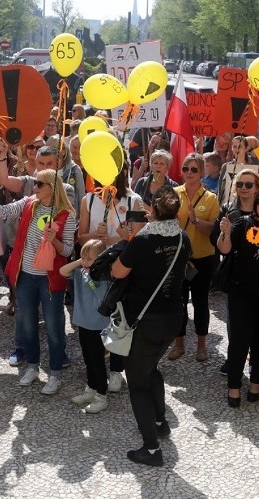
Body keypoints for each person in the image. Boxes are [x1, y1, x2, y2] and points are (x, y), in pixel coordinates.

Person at [111, 186, 191, 466]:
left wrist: (127, 241)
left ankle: (152, 449)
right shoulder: (182, 238)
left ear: (154, 211)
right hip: (173, 317)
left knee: (137, 383)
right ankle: (160, 421)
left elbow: (118, 271)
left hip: (145, 320)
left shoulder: (143, 240)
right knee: (152, 367)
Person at [0, 169, 77, 395]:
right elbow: (0, 211)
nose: (34, 187)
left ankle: (55, 373)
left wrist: (53, 240)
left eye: (39, 184)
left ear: (52, 187)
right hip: (25, 275)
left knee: (55, 327)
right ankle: (33, 366)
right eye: (35, 183)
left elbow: (67, 250)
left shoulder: (67, 213)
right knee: (27, 324)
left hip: (49, 278)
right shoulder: (29, 203)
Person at [217, 184, 259, 408]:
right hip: (241, 291)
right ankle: (234, 385)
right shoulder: (244, 223)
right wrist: (225, 233)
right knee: (239, 339)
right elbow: (225, 249)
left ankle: (256, 382)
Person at [168, 153, 219, 362]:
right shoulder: (172, 194)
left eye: (194, 169)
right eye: (186, 169)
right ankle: (178, 344)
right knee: (178, 303)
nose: (189, 173)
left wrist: (195, 220)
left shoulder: (211, 198)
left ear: (202, 172)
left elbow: (213, 231)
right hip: (178, 259)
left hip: (202, 258)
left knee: (200, 302)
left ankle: (201, 345)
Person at [60, 238, 113, 413]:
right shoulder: (81, 272)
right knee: (88, 359)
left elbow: (95, 290)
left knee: (97, 360)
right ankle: (90, 388)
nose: (86, 262)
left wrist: (92, 269)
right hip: (83, 323)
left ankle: (101, 395)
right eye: (84, 257)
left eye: (90, 258)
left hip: (98, 325)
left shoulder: (104, 277)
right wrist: (80, 261)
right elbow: (62, 271)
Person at [217, 136, 259, 206]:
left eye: (240, 147)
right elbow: (220, 189)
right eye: (234, 146)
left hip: (247, 206)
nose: (237, 149)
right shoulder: (225, 167)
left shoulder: (253, 168)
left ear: (246, 148)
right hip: (226, 206)